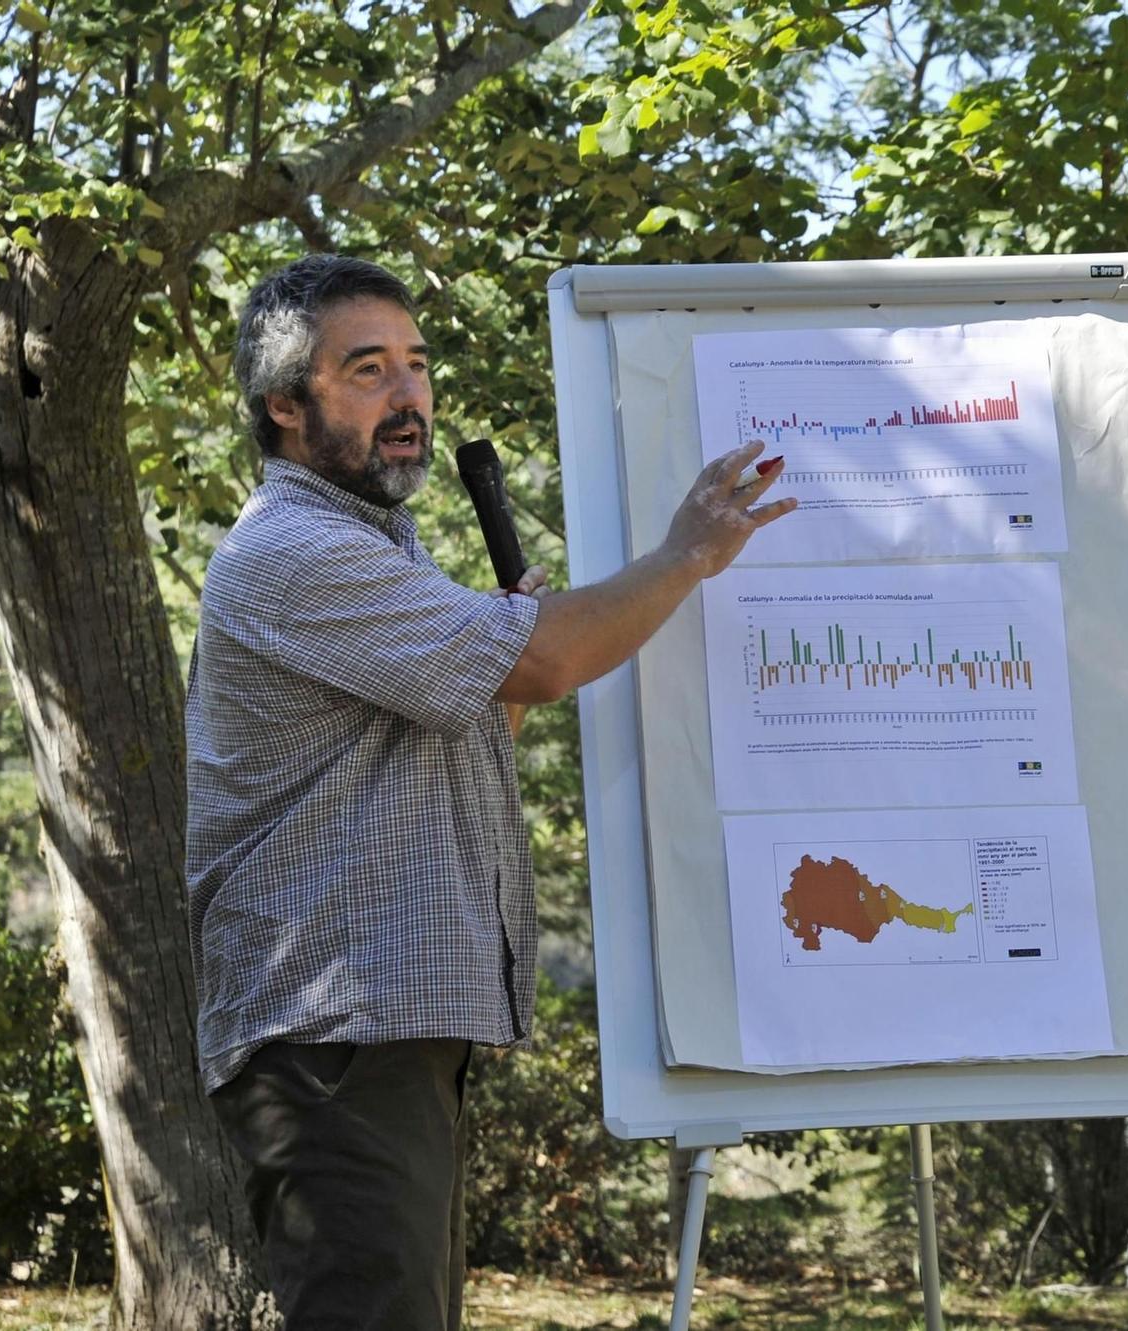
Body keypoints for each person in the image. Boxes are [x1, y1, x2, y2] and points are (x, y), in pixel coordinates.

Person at [184, 254, 792, 1329]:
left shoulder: (381, 548)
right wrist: (687, 555)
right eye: (365, 369)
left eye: (415, 365)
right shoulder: (296, 550)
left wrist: (507, 653)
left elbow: (490, 715)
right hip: (334, 1038)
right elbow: (549, 665)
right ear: (284, 405)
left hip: (376, 1032)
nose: (409, 394)